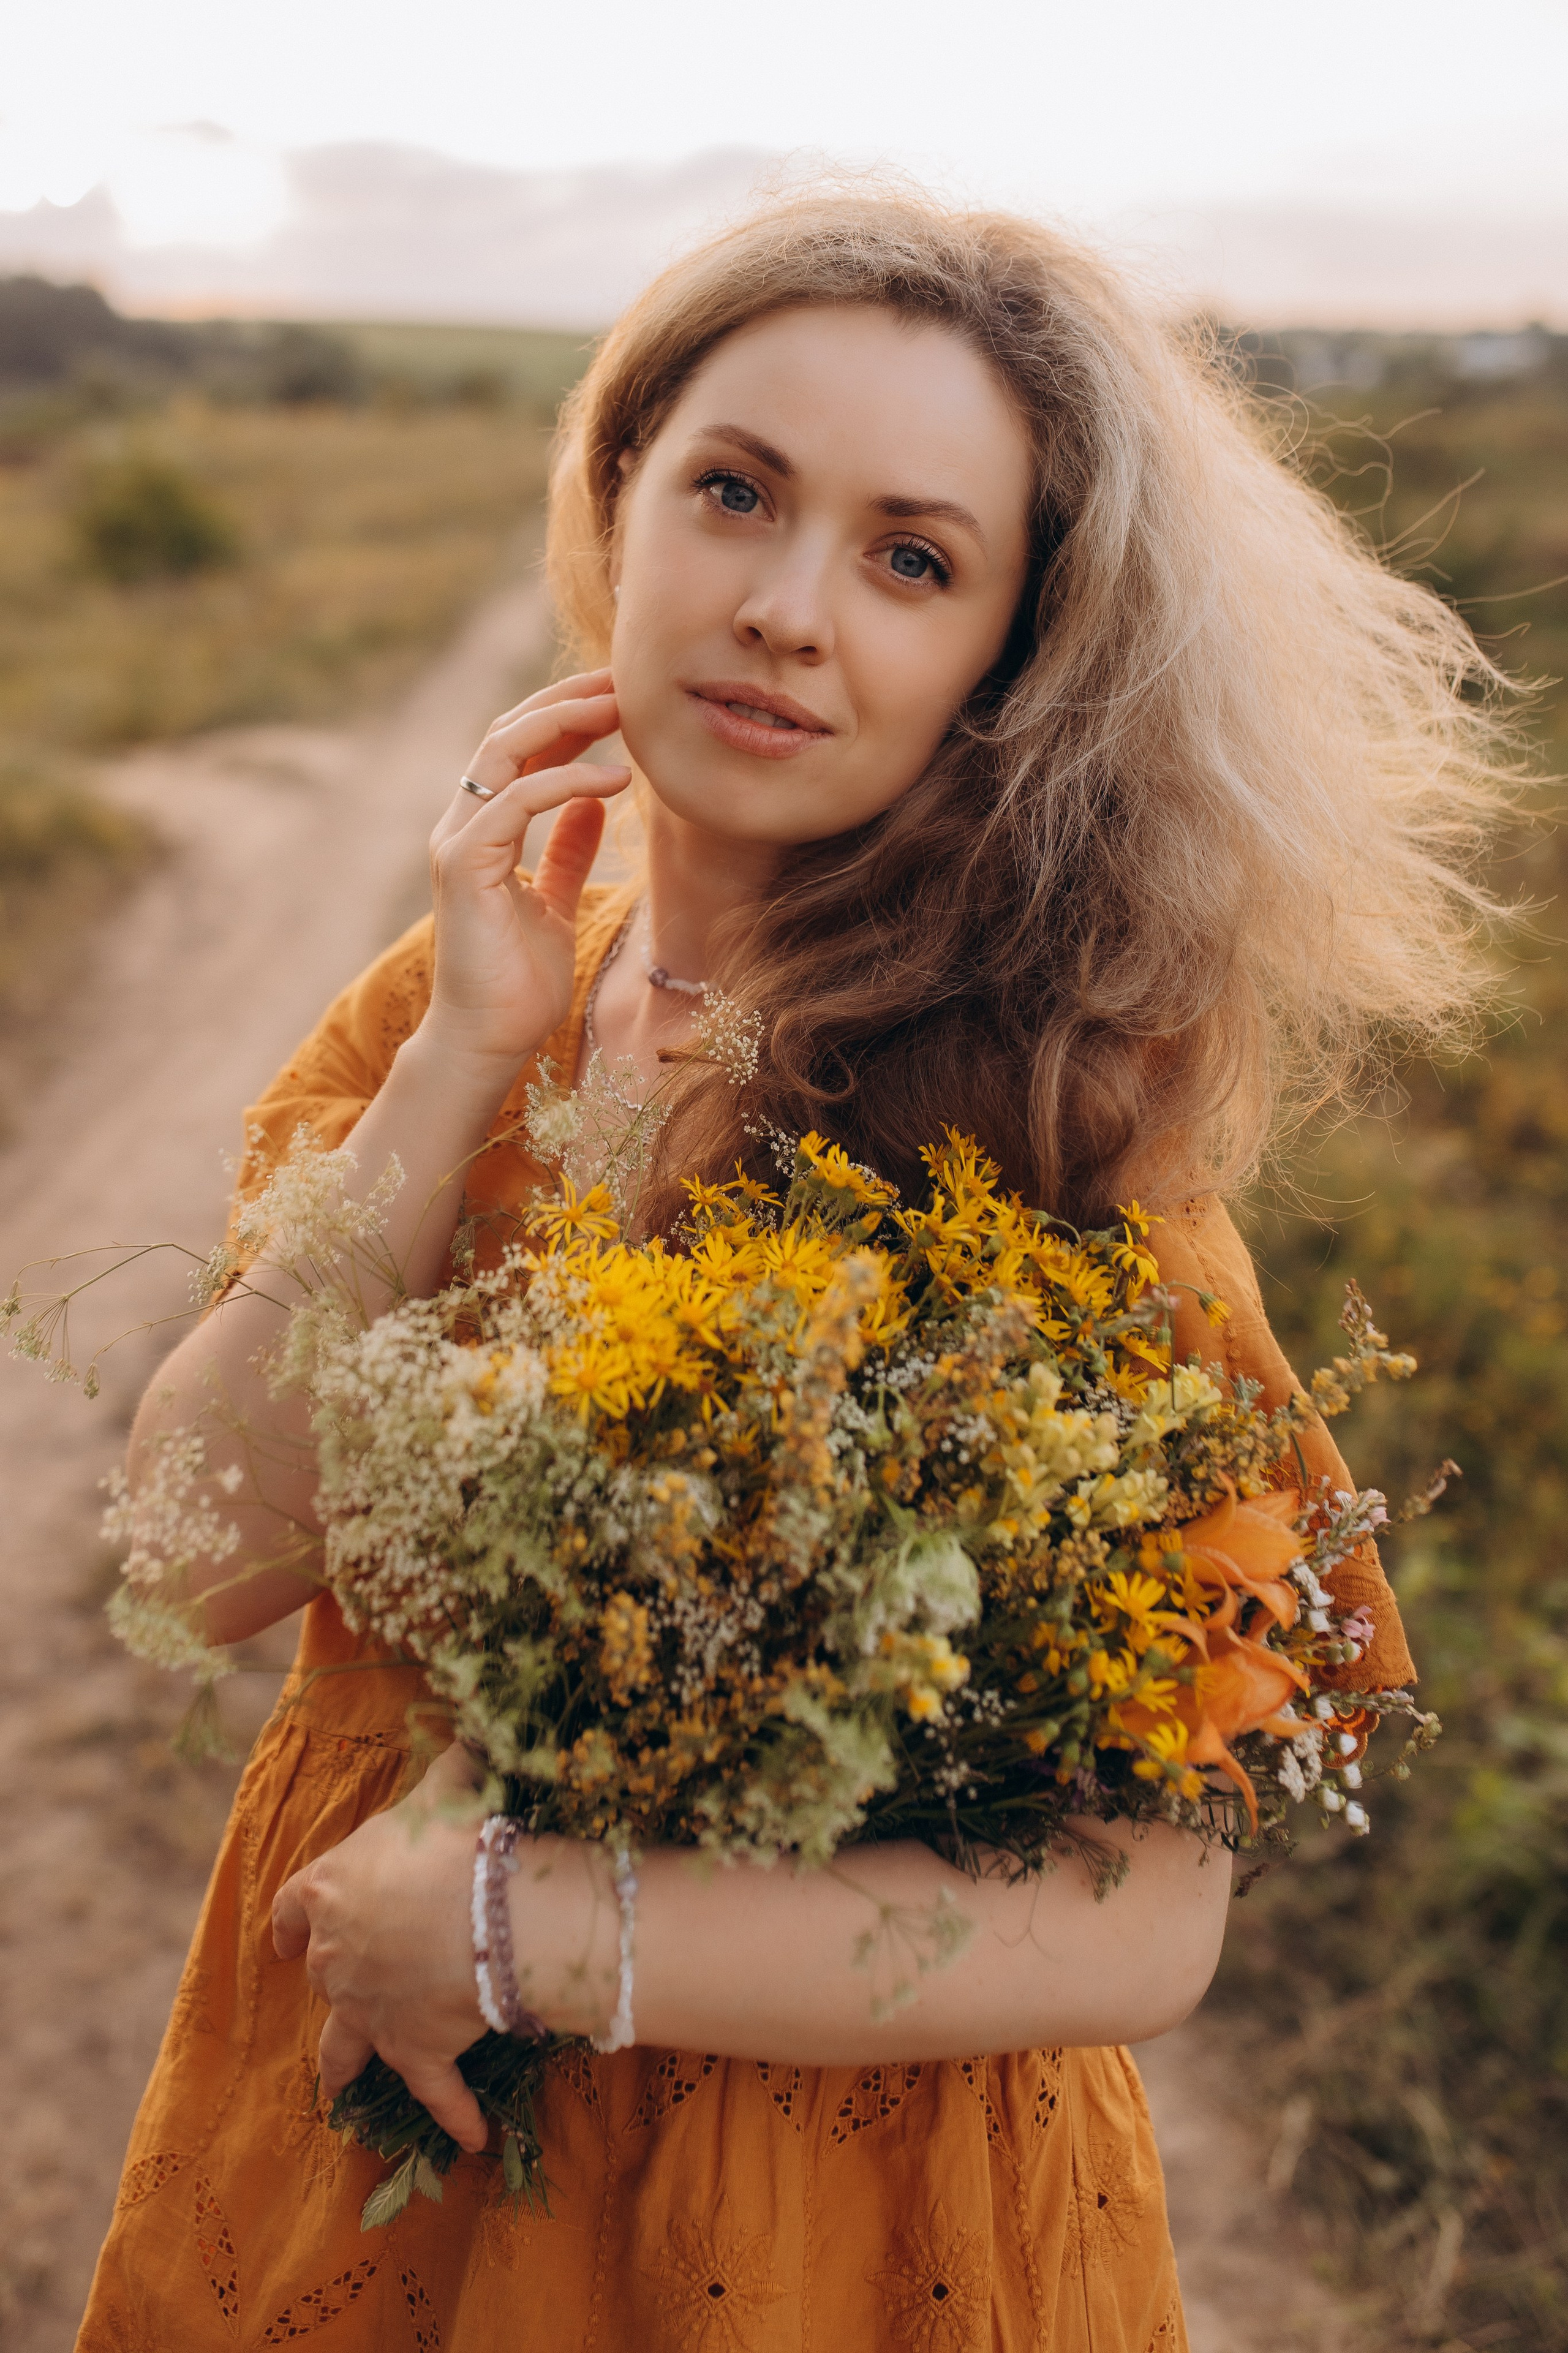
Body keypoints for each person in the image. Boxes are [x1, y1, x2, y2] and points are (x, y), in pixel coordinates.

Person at [76, 189, 1510, 2351]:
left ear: (1005, 660)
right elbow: (192, 1559)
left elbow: (1151, 1914)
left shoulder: (1046, 1134)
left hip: (842, 2226)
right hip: (358, 2179)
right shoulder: (444, 1012)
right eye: (733, 493)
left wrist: (526, 1927)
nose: (785, 609)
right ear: (620, 501)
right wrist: (468, 1045)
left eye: (911, 557)